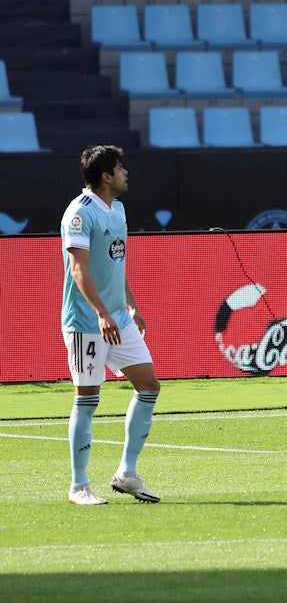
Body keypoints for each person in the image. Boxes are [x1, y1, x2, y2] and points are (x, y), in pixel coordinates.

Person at [60, 145, 161, 505]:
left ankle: (126, 473)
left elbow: (115, 262)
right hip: (87, 321)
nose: (125, 172)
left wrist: (130, 305)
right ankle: (78, 485)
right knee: (87, 399)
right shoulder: (79, 214)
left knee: (149, 385)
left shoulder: (117, 210)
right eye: (120, 167)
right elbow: (79, 269)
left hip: (118, 318)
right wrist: (102, 313)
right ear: (106, 176)